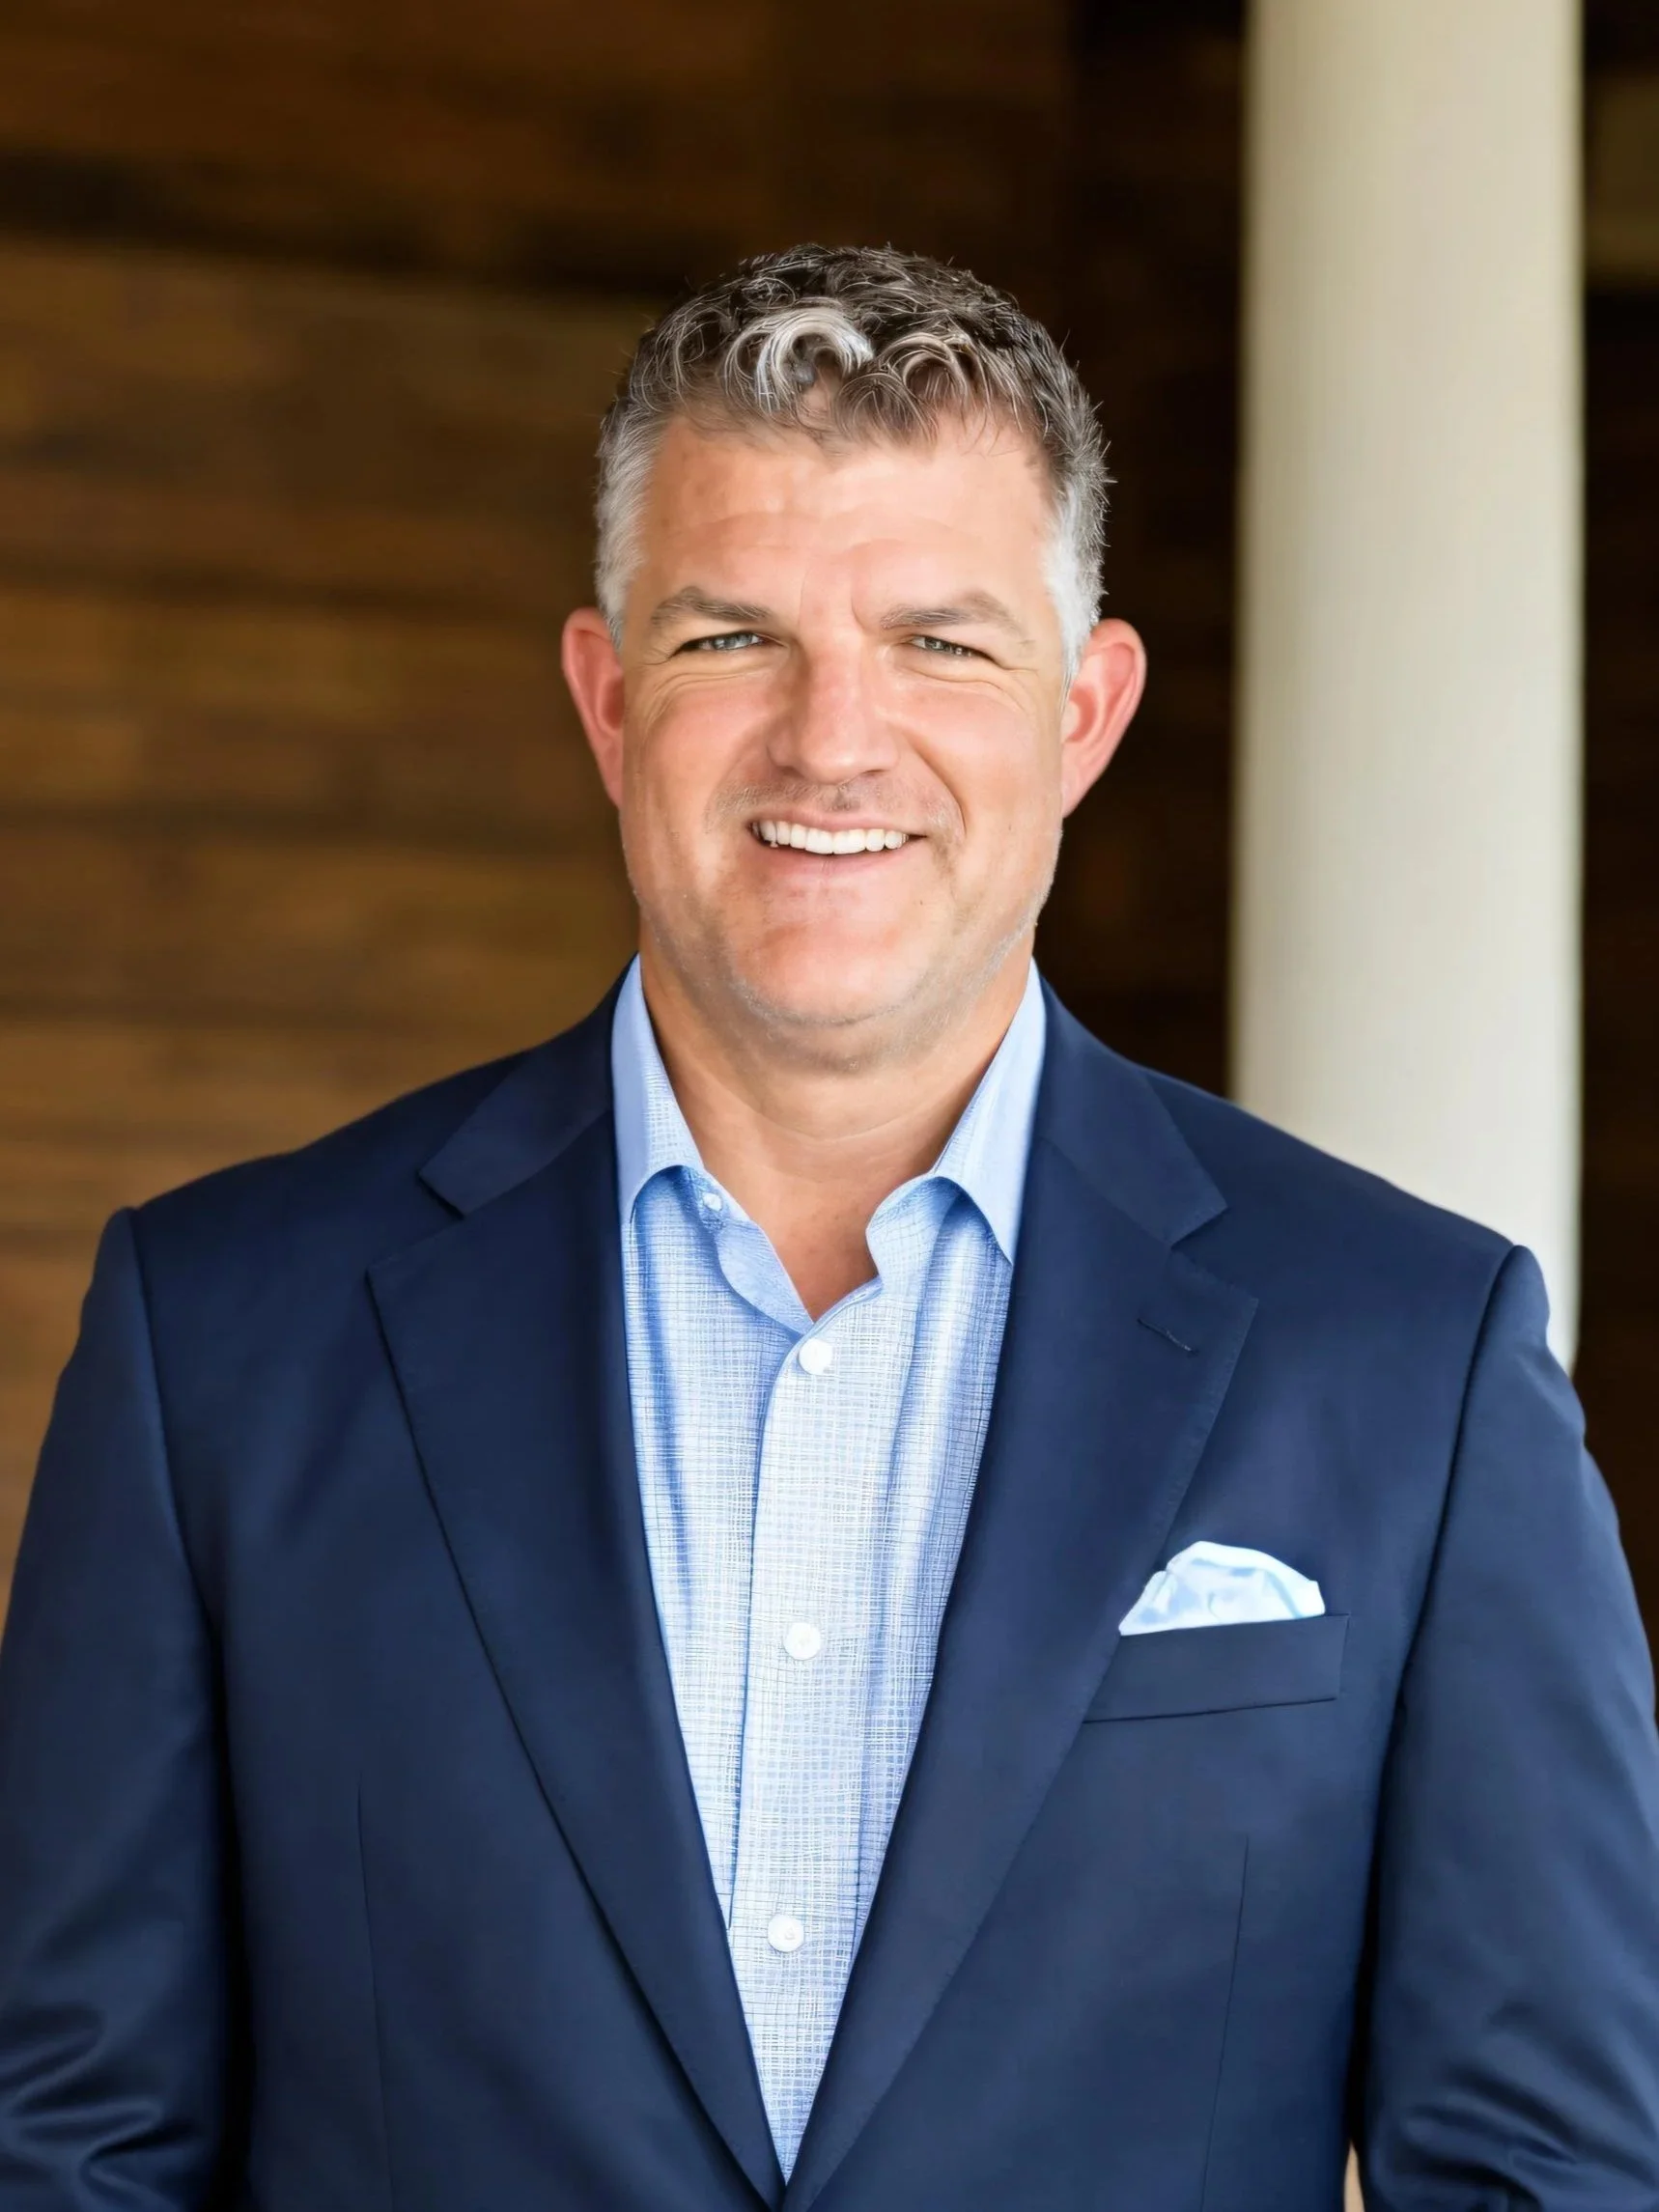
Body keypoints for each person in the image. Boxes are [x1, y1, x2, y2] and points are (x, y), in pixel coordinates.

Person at [1, 243, 1655, 2212]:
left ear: (1084, 712)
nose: (831, 739)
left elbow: (1548, 2170)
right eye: (731, 638)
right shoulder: (219, 1340)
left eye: (941, 643)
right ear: (607, 701)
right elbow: (68, 2147)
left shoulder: (1408, 1358)